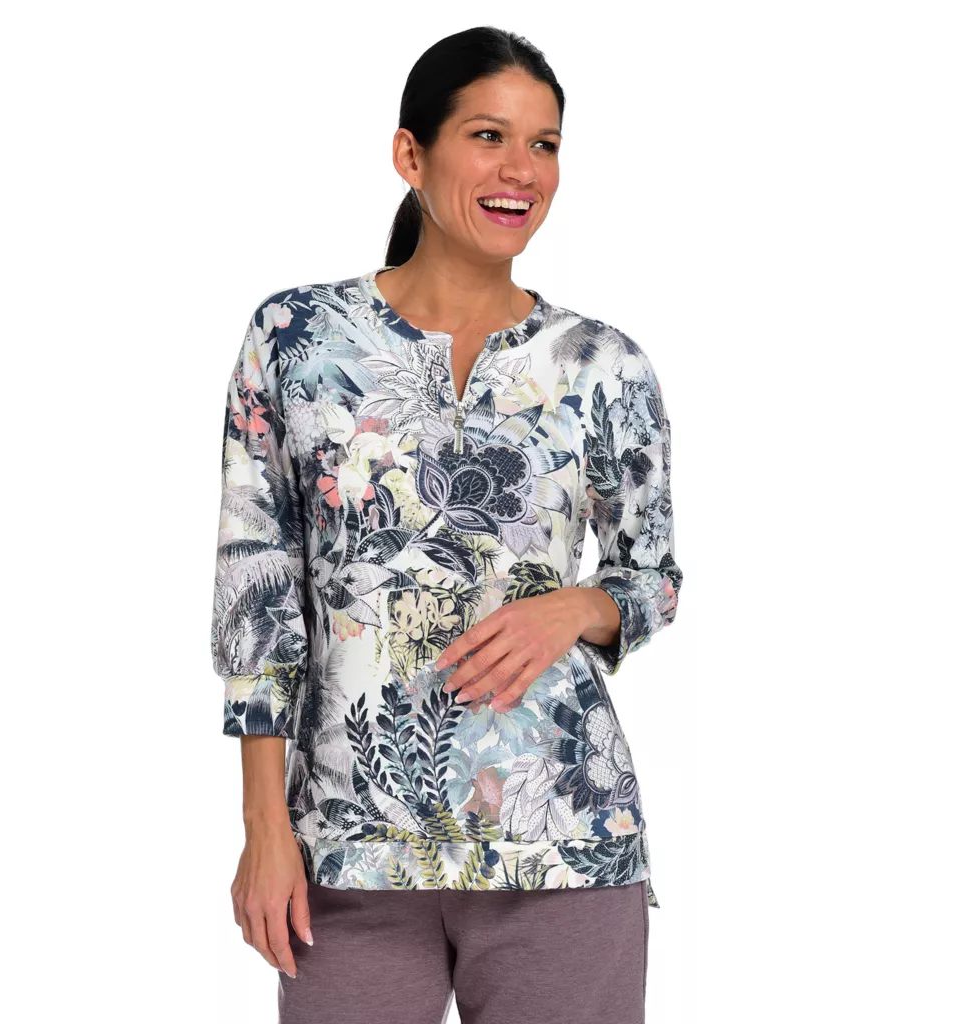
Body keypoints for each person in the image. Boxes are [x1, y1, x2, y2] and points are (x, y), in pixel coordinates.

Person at [210, 25, 683, 1024]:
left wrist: (577, 607)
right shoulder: (296, 341)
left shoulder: (602, 364)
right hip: (348, 850)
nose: (522, 171)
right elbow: (256, 592)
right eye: (488, 136)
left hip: (562, 840)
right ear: (410, 154)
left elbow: (652, 576)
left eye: (544, 144)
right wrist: (263, 826)